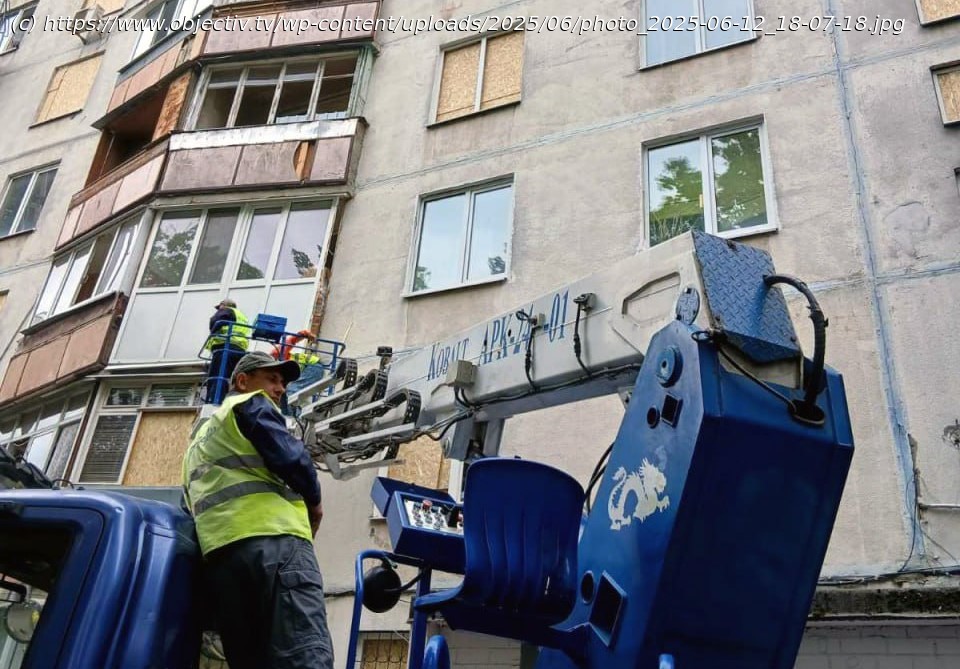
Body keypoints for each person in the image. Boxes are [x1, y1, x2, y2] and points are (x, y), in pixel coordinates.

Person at [182, 351, 334, 669]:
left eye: (283, 383)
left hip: (223, 560)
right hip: (276, 546)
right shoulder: (249, 404)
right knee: (303, 654)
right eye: (272, 379)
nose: (280, 389)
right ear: (243, 381)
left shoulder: (198, 443)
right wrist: (315, 503)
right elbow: (292, 459)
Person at [204, 299, 251, 404]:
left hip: (225, 347)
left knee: (218, 375)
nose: (218, 310)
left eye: (220, 307)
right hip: (239, 349)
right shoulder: (242, 317)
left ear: (224, 305)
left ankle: (215, 401)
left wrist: (213, 331)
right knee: (232, 378)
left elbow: (215, 321)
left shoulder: (227, 310)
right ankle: (232, 400)